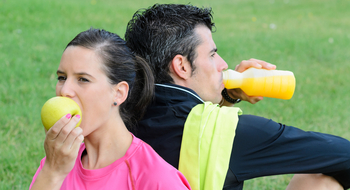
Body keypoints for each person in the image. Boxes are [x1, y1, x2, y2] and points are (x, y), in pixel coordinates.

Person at [124, 4, 350, 190]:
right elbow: (343, 154)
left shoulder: (114, 116)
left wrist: (227, 99)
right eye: (212, 54)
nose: (222, 64)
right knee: (321, 182)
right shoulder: (230, 134)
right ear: (181, 66)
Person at [30, 28, 191, 190]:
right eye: (62, 78)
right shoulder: (58, 161)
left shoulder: (156, 178)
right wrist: (52, 172)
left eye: (83, 79)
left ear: (119, 93)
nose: (65, 90)